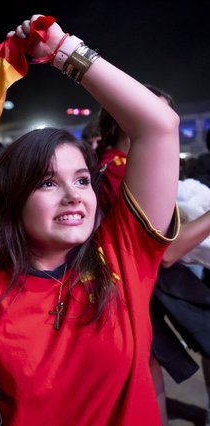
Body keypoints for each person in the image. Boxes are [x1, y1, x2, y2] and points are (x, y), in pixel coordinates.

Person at [0, 14, 180, 425]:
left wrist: (62, 50)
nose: (74, 194)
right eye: (46, 183)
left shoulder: (121, 256)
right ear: (13, 200)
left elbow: (160, 126)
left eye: (81, 179)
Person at [98, 86, 210, 425]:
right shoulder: (119, 171)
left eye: (170, 119)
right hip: (140, 287)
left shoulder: (124, 166)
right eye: (156, 115)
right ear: (121, 117)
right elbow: (167, 251)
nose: (166, 125)